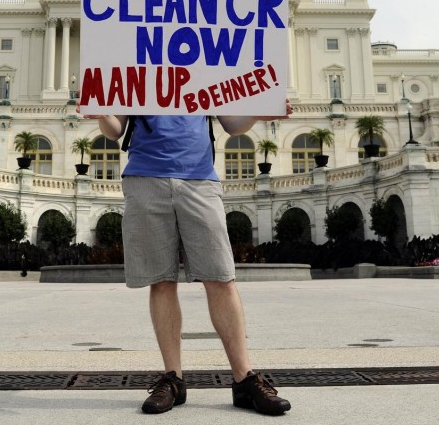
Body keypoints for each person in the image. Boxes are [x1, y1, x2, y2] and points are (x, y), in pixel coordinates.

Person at [84, 105, 293, 416]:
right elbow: (115, 129)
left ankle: (244, 380)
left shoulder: (205, 59)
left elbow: (232, 124)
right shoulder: (132, 60)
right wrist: (99, 111)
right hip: (145, 177)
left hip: (199, 178)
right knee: (161, 281)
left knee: (221, 278)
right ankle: (173, 379)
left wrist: (261, 110)